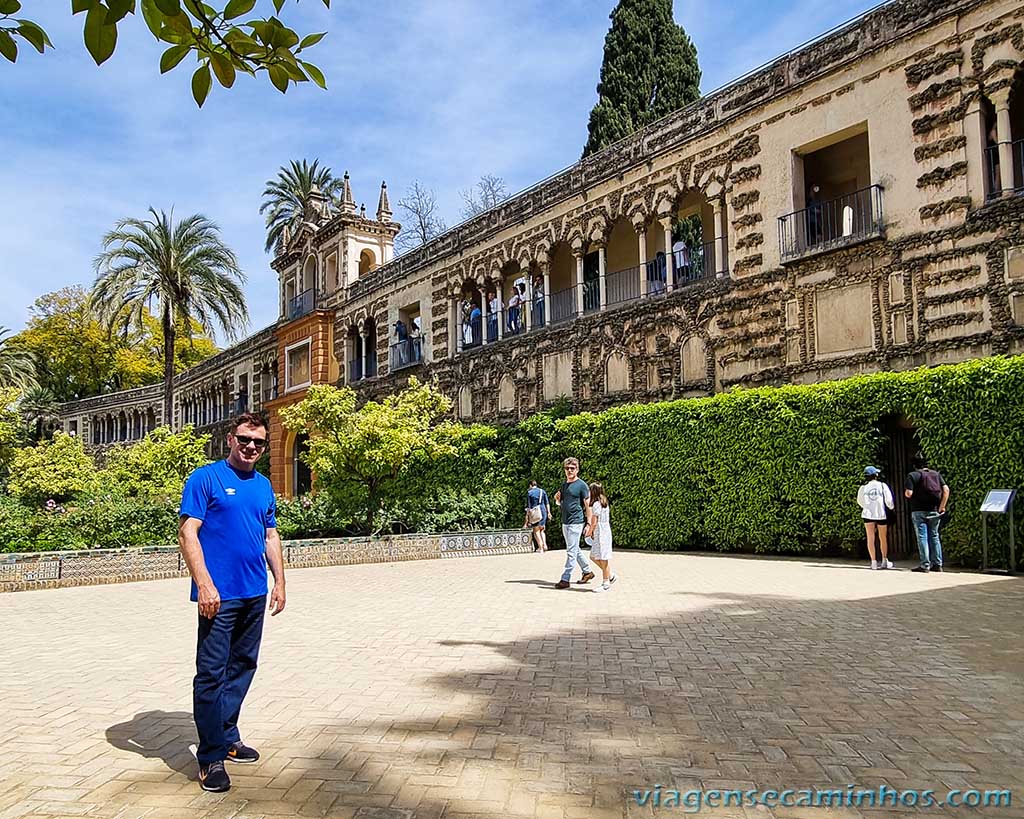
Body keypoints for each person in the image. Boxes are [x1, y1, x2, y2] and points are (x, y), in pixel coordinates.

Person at [178, 413, 285, 793]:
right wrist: (204, 584)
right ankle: (210, 757)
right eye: (245, 439)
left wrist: (280, 583)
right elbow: (188, 532)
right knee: (211, 674)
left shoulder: (263, 485)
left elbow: (270, 535)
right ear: (230, 439)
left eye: (258, 442)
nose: (252, 447)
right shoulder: (205, 478)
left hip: (254, 593)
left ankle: (228, 735)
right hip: (218, 597)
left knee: (243, 666)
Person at [553, 457, 595, 589]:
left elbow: (588, 505)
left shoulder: (582, 485)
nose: (569, 470)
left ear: (577, 469)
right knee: (574, 549)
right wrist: (557, 500)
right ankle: (587, 571)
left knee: (571, 551)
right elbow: (562, 503)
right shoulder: (564, 485)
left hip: (576, 522)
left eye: (572, 468)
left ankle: (565, 579)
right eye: (567, 468)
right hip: (565, 521)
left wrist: (589, 523)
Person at [905, 455, 950, 573]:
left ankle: (925, 565)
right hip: (935, 510)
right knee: (934, 536)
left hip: (918, 510)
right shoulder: (936, 474)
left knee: (922, 537)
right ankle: (938, 564)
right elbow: (946, 490)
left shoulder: (912, 475)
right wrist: (942, 506)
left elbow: (909, 493)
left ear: (914, 465)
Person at [857, 466, 894, 570]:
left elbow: (860, 501)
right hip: (880, 513)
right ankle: (884, 560)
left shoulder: (863, 488)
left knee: (870, 537)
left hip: (868, 514)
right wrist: (891, 507)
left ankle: (873, 562)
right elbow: (889, 500)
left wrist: (867, 506)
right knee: (883, 537)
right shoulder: (882, 486)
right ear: (876, 475)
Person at [585, 482, 617, 592]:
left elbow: (594, 521)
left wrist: (589, 532)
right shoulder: (604, 502)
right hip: (604, 530)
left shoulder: (596, 504)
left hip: (600, 532)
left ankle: (606, 583)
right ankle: (610, 575)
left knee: (603, 557)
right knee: (594, 556)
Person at [523, 480, 550, 552]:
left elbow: (529, 507)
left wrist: (526, 520)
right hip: (543, 510)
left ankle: (540, 547)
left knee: (536, 530)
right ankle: (544, 544)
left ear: (530, 485)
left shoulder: (530, 493)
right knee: (542, 530)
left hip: (535, 512)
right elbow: (547, 503)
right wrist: (549, 512)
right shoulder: (542, 491)